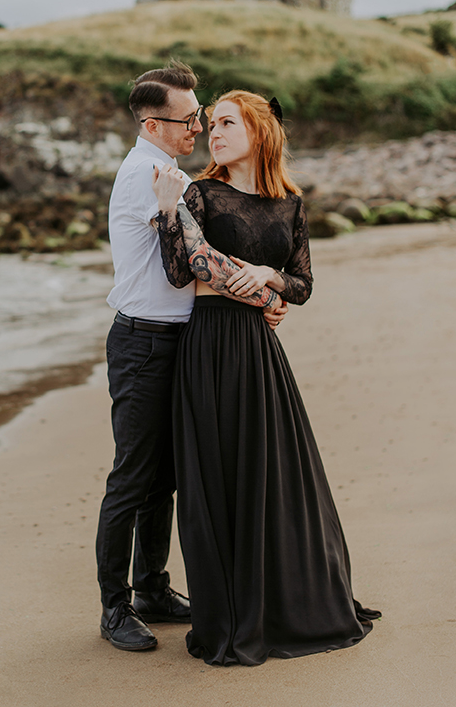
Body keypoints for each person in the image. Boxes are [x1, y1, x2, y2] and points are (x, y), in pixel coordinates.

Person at [152, 89, 381, 666]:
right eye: (212, 124)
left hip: (260, 351)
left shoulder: (290, 205)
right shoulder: (200, 193)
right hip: (208, 346)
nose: (214, 132)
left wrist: (268, 279)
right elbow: (181, 270)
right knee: (221, 478)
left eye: (228, 122)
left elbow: (301, 285)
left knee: (276, 475)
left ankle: (290, 602)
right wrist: (167, 212)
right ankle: (230, 609)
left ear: (260, 130)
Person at [97, 65, 287, 652]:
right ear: (153, 123)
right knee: (133, 477)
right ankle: (114, 608)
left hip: (185, 340)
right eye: (190, 118)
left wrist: (266, 291)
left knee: (168, 479)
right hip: (145, 342)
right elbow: (201, 258)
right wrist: (265, 290)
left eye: (202, 114)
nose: (199, 125)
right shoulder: (147, 177)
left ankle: (153, 587)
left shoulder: (173, 173)